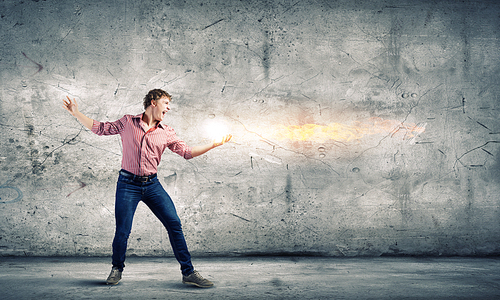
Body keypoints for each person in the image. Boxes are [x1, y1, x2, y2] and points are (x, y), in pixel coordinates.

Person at [62, 89, 231, 288]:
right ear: (153, 102)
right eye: (166, 103)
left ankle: (189, 272)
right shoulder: (127, 122)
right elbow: (101, 128)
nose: (168, 107)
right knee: (123, 230)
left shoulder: (166, 132)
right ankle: (117, 269)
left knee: (174, 224)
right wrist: (76, 114)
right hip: (127, 184)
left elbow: (186, 152)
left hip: (152, 185)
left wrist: (214, 144)